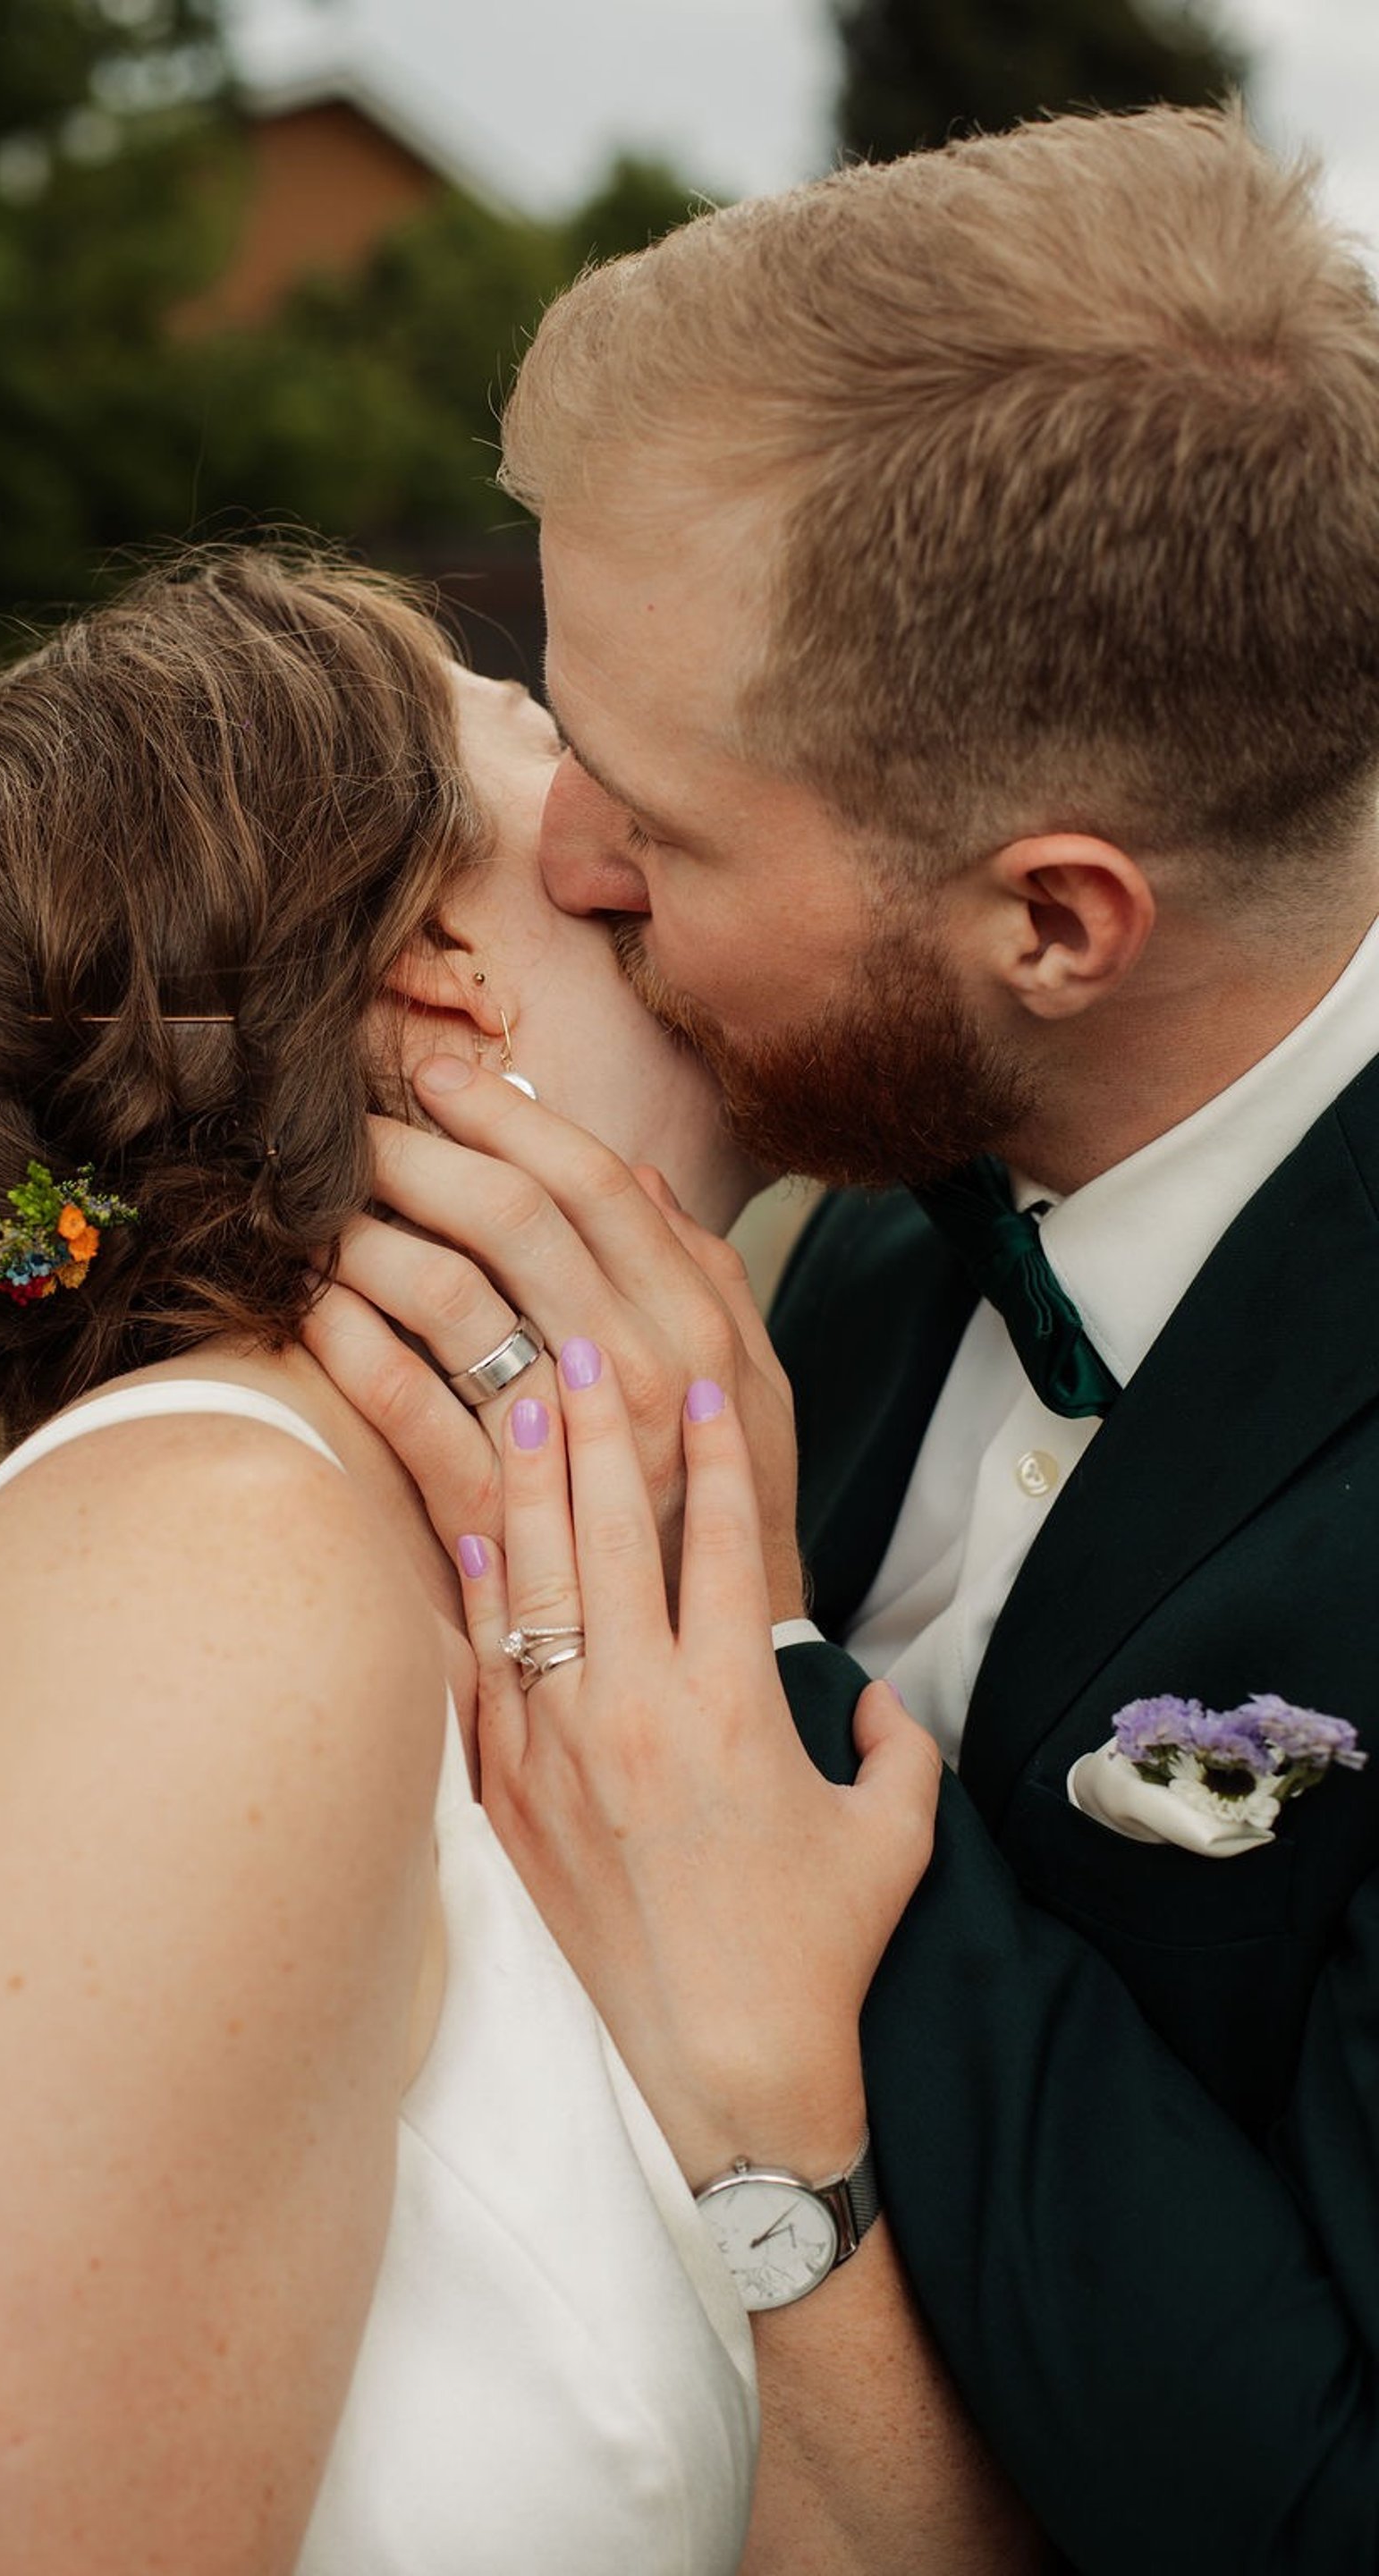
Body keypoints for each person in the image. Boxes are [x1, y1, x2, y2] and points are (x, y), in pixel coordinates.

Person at [303, 106, 1379, 2573]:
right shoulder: (877, 1232)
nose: (561, 861)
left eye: (660, 829)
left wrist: (760, 1724)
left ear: (1057, 921)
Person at [0, 547, 1030, 2572]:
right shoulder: (198, 1586)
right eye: (558, 742)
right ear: (438, 960)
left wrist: (760, 2078)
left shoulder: (520, 1609)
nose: (642, 800)